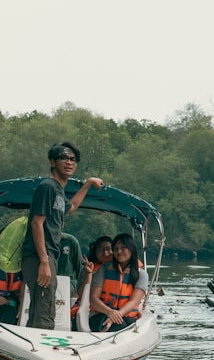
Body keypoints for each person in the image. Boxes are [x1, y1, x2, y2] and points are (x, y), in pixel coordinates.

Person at [21, 142, 104, 329]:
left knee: (40, 306)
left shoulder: (58, 191)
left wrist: (88, 183)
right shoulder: (48, 187)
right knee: (46, 307)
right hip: (39, 256)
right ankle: (42, 351)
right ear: (52, 162)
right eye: (63, 158)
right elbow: (36, 223)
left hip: (48, 256)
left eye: (73, 159)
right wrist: (43, 261)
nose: (69, 162)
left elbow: (72, 207)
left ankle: (31, 346)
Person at [88, 233, 149, 332]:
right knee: (119, 326)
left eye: (123, 247)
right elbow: (93, 299)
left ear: (131, 249)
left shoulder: (141, 275)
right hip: (101, 314)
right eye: (116, 248)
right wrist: (109, 312)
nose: (119, 251)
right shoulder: (103, 270)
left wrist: (115, 316)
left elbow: (134, 301)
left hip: (126, 315)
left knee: (122, 324)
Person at [71, 235, 112, 328]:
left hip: (112, 309)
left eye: (109, 249)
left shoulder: (121, 270)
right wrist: (89, 274)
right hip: (90, 310)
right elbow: (81, 294)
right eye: (101, 250)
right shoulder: (87, 269)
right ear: (95, 252)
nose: (105, 253)